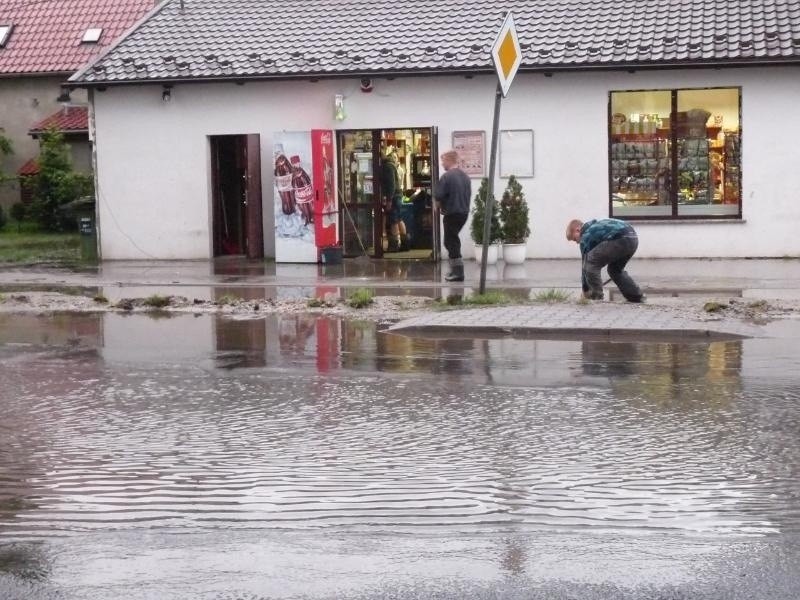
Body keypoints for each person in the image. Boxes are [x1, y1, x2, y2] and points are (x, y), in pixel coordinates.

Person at [565, 217, 644, 302]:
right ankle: (636, 297)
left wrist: (585, 291)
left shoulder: (586, 235)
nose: (577, 242)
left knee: (590, 263)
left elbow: (585, 265)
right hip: (633, 238)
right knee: (615, 270)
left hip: (620, 238)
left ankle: (596, 297)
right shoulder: (596, 226)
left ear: (578, 230)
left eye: (574, 239)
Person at [434, 149, 471, 281]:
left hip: (451, 212)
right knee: (452, 240)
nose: (442, 163)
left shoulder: (447, 177)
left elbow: (438, 195)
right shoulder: (465, 177)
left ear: (449, 160)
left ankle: (458, 272)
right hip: (463, 213)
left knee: (450, 241)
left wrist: (436, 205)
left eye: (443, 160)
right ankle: (455, 270)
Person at [381, 147, 409, 252]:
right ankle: (405, 244)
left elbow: (391, 185)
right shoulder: (391, 165)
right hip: (398, 195)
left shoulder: (387, 167)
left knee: (393, 221)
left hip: (393, 197)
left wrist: (389, 200)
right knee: (399, 219)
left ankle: (393, 246)